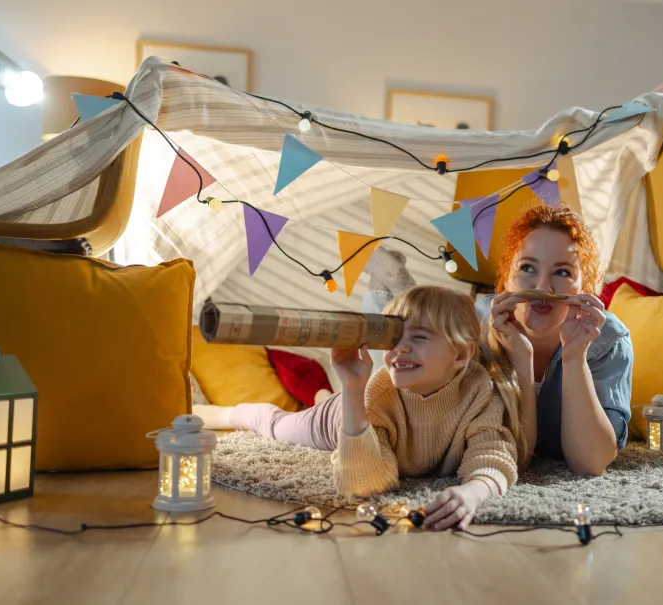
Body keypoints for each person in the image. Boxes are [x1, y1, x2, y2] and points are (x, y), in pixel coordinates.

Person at [194, 286, 521, 531]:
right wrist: (351, 390)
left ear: (461, 356)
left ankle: (323, 394)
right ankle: (238, 412)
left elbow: (492, 451)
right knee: (279, 425)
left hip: (358, 403)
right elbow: (366, 481)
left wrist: (476, 491)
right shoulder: (379, 393)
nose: (401, 348)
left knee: (326, 398)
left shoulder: (479, 392)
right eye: (394, 338)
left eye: (419, 337)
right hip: (344, 415)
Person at [477, 205, 632, 476]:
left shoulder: (607, 339)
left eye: (562, 273)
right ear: (505, 279)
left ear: (584, 288)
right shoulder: (475, 326)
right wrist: (522, 362)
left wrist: (575, 356)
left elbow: (590, 464)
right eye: (527, 267)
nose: (542, 288)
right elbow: (508, 456)